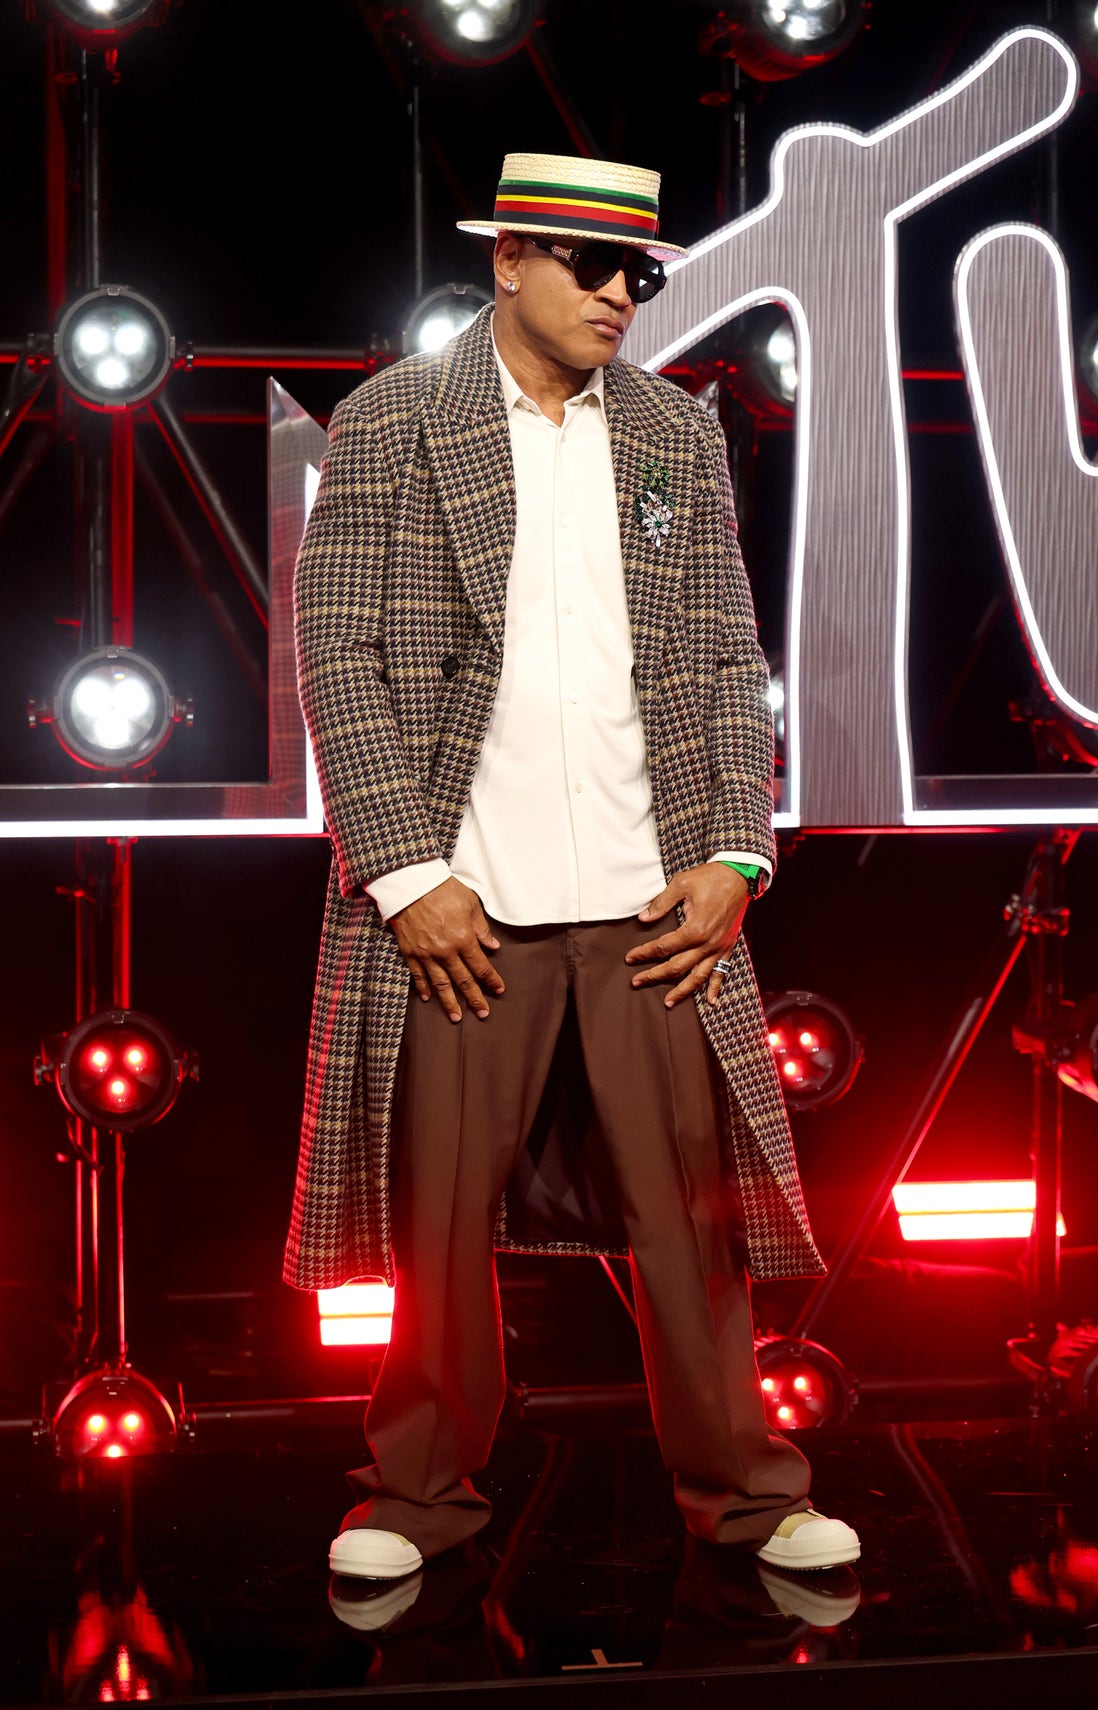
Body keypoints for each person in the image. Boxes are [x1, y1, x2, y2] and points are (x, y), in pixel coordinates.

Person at [285, 151, 860, 1582]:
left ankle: (748, 1494)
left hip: (648, 891)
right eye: (590, 265)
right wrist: (405, 873)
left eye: (639, 273)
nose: (619, 295)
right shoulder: (396, 419)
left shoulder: (672, 431)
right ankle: (417, 1496)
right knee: (437, 1230)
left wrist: (737, 852)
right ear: (508, 261)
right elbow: (340, 658)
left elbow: (723, 654)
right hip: (462, 899)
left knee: (691, 1222)